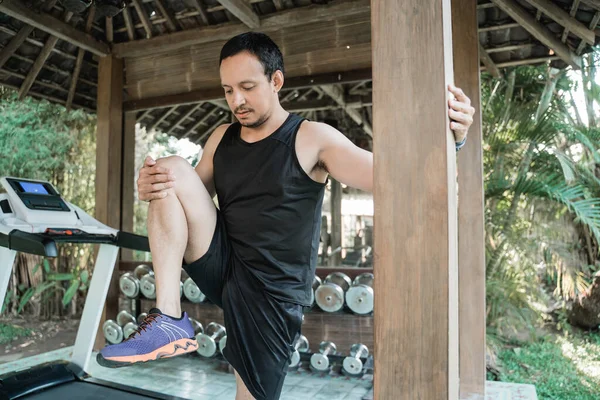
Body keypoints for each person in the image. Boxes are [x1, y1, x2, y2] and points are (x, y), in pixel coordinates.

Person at [97, 32, 475, 400]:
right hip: (222, 264)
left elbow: (393, 179)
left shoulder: (312, 138)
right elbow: (183, 201)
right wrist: (150, 186)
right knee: (170, 171)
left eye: (247, 86)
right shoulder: (220, 138)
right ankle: (168, 319)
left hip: (272, 292)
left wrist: (452, 142)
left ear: (276, 80)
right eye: (228, 90)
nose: (237, 100)